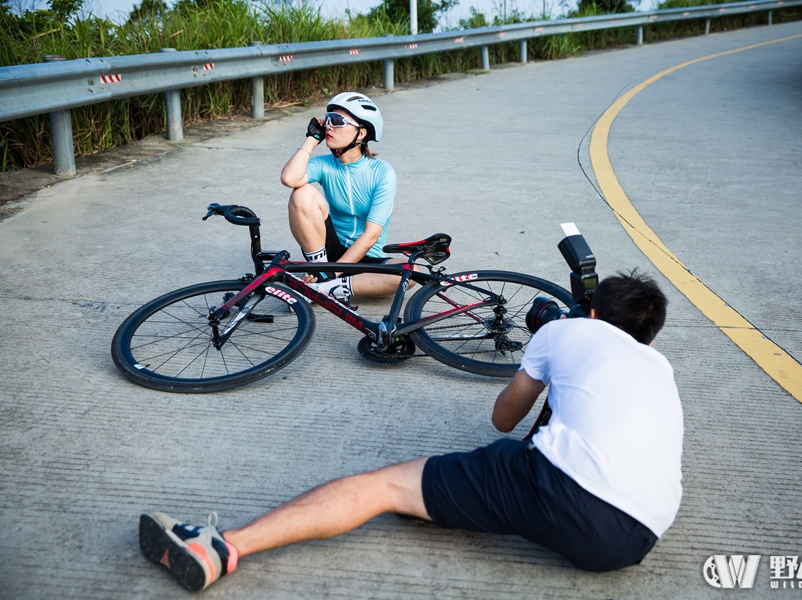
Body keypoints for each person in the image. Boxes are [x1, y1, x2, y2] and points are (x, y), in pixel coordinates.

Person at [139, 271, 683, 592]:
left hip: (558, 487)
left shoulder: (568, 332)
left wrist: (549, 354)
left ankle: (223, 547)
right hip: (633, 539)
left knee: (385, 487)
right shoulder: (659, 368)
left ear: (587, 312)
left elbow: (502, 420)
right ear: (649, 337)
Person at [281, 91, 403, 301]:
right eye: (328, 120)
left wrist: (332, 274)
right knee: (302, 193)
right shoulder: (324, 164)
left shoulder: (383, 173)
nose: (328, 126)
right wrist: (312, 138)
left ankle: (321, 289)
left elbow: (371, 235)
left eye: (337, 121)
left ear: (361, 133)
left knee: (409, 271)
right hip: (327, 252)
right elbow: (290, 178)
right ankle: (319, 273)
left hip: (367, 258)